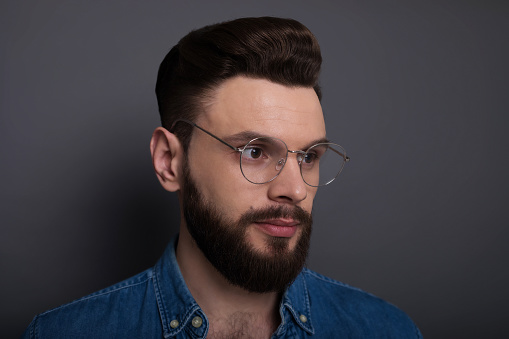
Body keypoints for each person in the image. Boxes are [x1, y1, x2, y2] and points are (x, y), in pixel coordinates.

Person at [23, 17, 421, 338]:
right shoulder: (64, 333)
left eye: (310, 156)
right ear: (169, 162)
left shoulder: (387, 330)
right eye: (255, 152)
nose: (295, 189)